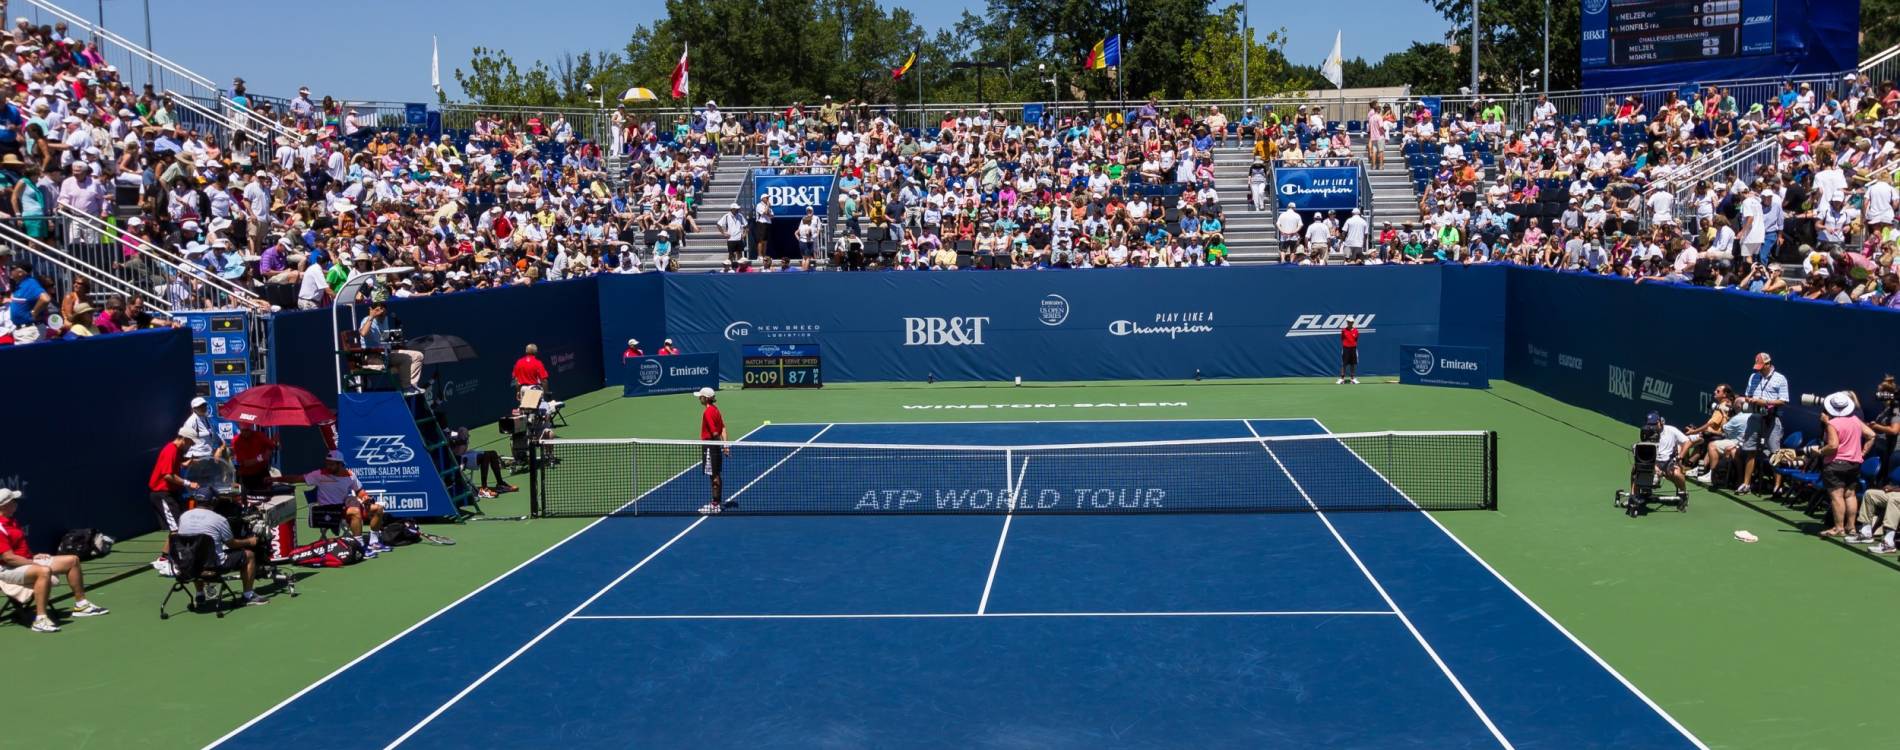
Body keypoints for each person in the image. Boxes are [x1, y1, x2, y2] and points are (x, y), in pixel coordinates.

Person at [0, 489, 109, 632]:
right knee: (43, 571)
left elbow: (18, 549)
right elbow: (9, 558)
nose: (16, 503)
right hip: (7, 569)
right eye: (13, 501)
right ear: (4, 505)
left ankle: (81, 605)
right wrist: (33, 563)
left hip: (23, 562)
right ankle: (40, 619)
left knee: (72, 560)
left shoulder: (12, 521)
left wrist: (33, 557)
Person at [175, 495, 271, 607]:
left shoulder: (184, 516)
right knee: (249, 555)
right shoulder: (219, 519)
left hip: (188, 564)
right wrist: (249, 541)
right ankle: (248, 595)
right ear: (214, 502)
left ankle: (200, 594)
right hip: (213, 565)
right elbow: (231, 544)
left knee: (196, 552)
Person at [303, 450, 390, 556]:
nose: (328, 466)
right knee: (355, 511)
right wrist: (277, 479)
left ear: (340, 464)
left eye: (331, 464)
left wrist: (365, 497)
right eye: (327, 463)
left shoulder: (350, 475)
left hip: (343, 508)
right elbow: (297, 479)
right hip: (327, 511)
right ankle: (360, 546)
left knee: (378, 508)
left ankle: (374, 542)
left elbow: (359, 490)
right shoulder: (318, 474)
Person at [1817, 392, 1874, 538]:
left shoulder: (1832, 424)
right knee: (1850, 495)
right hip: (1854, 464)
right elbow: (1871, 435)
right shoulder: (1855, 419)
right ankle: (1851, 527)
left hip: (1835, 464)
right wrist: (1862, 453)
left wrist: (1820, 451)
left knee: (1837, 496)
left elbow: (1833, 445)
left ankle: (1839, 528)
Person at [149, 428, 200, 575]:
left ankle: (164, 558)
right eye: (190, 443)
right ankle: (177, 562)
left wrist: (188, 463)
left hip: (170, 494)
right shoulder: (170, 450)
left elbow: (176, 467)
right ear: (184, 439)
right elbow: (167, 476)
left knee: (177, 528)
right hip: (162, 494)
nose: (190, 446)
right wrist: (188, 483)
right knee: (177, 529)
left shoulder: (177, 451)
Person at [1738, 352, 1789, 494]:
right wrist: (1750, 400)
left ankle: (1778, 487)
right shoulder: (1753, 376)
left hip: (1772, 419)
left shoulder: (1780, 379)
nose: (1759, 370)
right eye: (1757, 367)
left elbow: (1783, 401)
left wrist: (1765, 402)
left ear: (1768, 364)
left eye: (1761, 367)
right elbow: (1748, 395)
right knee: (1750, 450)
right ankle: (1746, 484)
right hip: (1754, 417)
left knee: (1775, 453)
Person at [361, 300, 423, 393]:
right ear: (373, 311)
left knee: (418, 355)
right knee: (406, 358)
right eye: (378, 313)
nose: (382, 315)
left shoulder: (385, 319)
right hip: (372, 357)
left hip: (385, 354)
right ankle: (406, 388)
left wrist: (396, 342)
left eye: (383, 312)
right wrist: (371, 317)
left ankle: (412, 385)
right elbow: (363, 333)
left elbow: (384, 339)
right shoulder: (367, 320)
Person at [448, 428, 516, 497]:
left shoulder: (450, 432)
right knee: (484, 456)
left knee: (493, 453)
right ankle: (484, 489)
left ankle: (500, 484)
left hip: (465, 453)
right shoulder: (445, 436)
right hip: (460, 459)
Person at [695, 387, 730, 514]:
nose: (699, 398)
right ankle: (717, 502)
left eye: (701, 396)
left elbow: (715, 432)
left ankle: (715, 504)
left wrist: (719, 445)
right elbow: (723, 429)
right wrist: (725, 445)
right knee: (716, 474)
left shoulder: (708, 412)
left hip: (710, 446)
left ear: (705, 398)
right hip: (715, 446)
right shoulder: (716, 410)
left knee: (713, 476)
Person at [1645, 412, 1690, 498]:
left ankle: (1683, 492)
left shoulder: (1671, 430)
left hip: (1669, 462)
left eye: (1655, 424)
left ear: (1660, 421)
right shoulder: (1647, 432)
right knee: (1638, 470)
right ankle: (1638, 494)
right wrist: (1654, 466)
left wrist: (1680, 456)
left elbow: (1687, 442)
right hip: (1654, 461)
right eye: (1650, 424)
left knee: (1676, 474)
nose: (1652, 426)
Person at [232, 423, 278, 495]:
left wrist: (274, 444)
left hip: (261, 473)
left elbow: (271, 445)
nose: (244, 432)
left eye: (247, 430)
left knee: (269, 496)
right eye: (242, 430)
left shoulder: (259, 435)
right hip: (244, 476)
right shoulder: (236, 441)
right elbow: (246, 463)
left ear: (251, 429)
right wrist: (262, 457)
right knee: (240, 497)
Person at [1338, 320, 1359, 384]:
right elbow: (1342, 338)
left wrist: (1352, 345)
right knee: (1344, 364)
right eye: (1348, 322)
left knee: (1352, 364)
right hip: (1346, 348)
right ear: (1347, 323)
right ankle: (1342, 379)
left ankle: (1352, 378)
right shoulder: (1343, 330)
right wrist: (1346, 344)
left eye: (1351, 322)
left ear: (1353, 323)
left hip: (1353, 348)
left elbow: (1356, 339)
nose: (1350, 323)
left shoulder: (1356, 331)